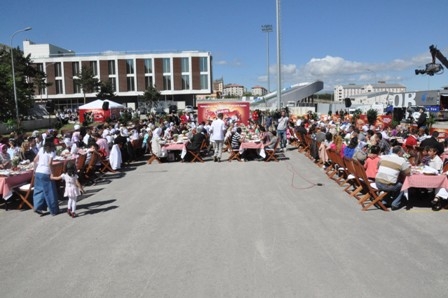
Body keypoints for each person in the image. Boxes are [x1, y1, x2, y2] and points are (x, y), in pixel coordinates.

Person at [375, 145, 411, 210]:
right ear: (399, 153)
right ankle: (395, 204)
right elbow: (408, 173)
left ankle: (385, 201)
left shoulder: (384, 157)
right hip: (387, 185)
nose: (402, 154)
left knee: (391, 180)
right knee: (402, 185)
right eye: (402, 153)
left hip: (377, 182)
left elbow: (377, 167)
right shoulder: (401, 160)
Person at [33, 138, 60, 216]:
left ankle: (37, 206)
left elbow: (35, 160)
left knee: (39, 190)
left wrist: (35, 170)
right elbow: (49, 163)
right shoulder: (52, 151)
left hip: (38, 171)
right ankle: (54, 210)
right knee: (50, 191)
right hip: (46, 172)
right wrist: (52, 173)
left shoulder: (41, 149)